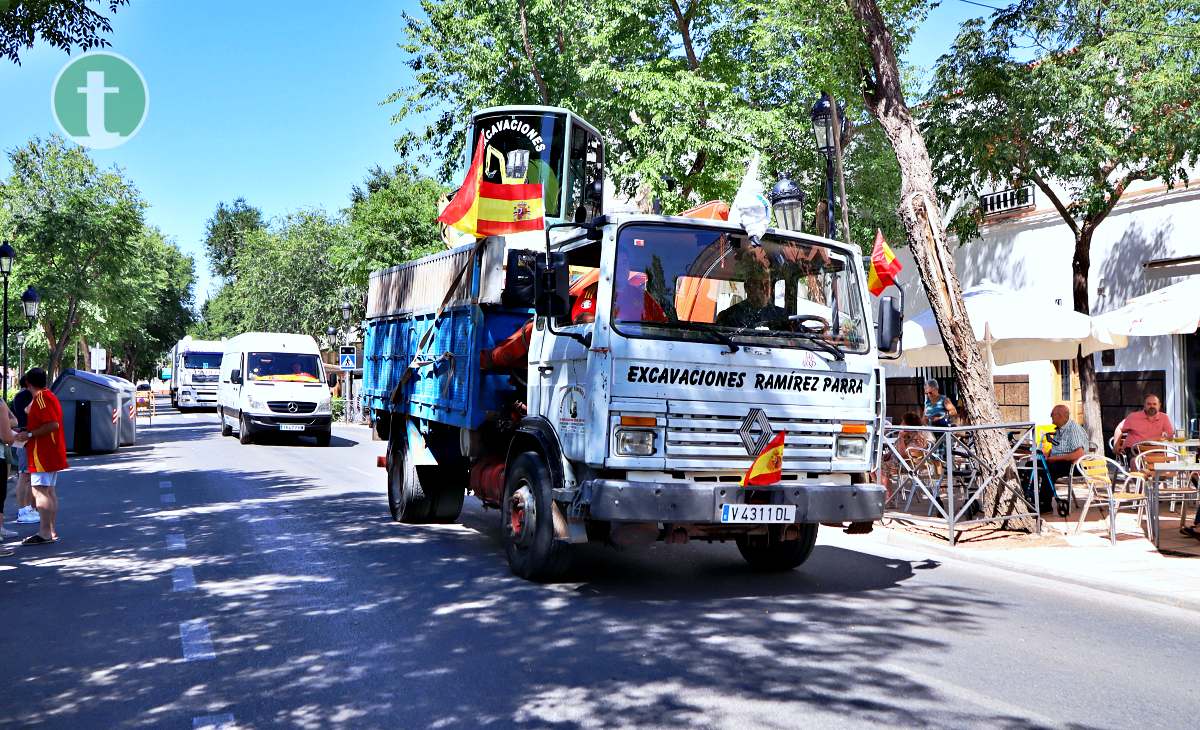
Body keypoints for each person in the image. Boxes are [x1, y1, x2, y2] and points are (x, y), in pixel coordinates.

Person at [16, 368, 68, 546]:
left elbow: (52, 424)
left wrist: (30, 435)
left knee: (39, 491)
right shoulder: (47, 396)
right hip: (48, 451)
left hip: (43, 452)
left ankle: (45, 532)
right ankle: (50, 530)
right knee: (49, 491)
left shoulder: (42, 398)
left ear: (29, 383)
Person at [716, 248, 788, 329]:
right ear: (747, 287)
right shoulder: (730, 316)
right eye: (759, 284)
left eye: (767, 284)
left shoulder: (781, 316)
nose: (764, 289)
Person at [1034, 405, 1088, 513]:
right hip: (1058, 461)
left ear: (1060, 415)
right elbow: (1058, 448)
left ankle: (1045, 504)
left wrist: (1055, 458)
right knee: (1031, 465)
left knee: (1049, 468)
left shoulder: (1073, 429)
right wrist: (1048, 454)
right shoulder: (1059, 430)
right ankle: (1031, 497)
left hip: (1074, 465)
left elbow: (1079, 454)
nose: (1051, 417)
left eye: (1052, 415)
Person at [882, 411, 930, 499]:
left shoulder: (916, 438)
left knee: (880, 469)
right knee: (874, 466)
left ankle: (889, 497)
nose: (900, 424)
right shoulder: (907, 434)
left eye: (903, 422)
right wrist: (889, 453)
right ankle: (884, 493)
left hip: (909, 465)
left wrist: (900, 437)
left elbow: (903, 455)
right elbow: (896, 449)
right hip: (898, 461)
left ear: (908, 425)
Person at [10, 376, 37, 526]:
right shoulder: (24, 396)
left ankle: (27, 508)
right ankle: (23, 510)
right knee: (24, 474)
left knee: (27, 475)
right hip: (24, 437)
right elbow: (26, 414)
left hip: (25, 436)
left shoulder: (20, 396)